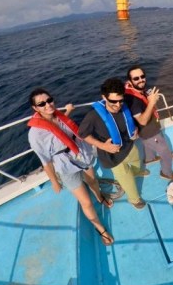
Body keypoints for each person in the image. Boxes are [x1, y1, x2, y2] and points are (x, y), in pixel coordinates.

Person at [27, 87, 114, 246]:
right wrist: (54, 181)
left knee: (93, 181)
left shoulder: (59, 116)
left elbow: (58, 128)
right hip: (66, 166)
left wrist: (67, 111)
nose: (48, 105)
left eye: (49, 100)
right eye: (42, 104)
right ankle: (100, 229)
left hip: (82, 154)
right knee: (86, 203)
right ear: (35, 108)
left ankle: (99, 197)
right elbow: (45, 160)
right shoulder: (35, 134)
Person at [78, 77, 149, 209]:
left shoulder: (124, 105)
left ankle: (136, 172)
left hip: (129, 145)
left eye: (120, 101)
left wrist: (137, 130)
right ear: (104, 97)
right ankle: (134, 199)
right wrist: (103, 146)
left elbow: (133, 120)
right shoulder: (93, 116)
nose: (118, 105)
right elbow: (82, 134)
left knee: (137, 163)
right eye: (113, 102)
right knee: (127, 180)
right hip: (113, 155)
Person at [124, 66, 173, 181]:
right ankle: (166, 173)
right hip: (149, 132)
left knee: (147, 145)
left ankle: (150, 159)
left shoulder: (137, 91)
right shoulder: (133, 100)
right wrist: (151, 102)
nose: (140, 80)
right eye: (136, 78)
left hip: (146, 133)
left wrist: (150, 101)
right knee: (165, 152)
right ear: (130, 81)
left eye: (142, 77)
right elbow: (142, 121)